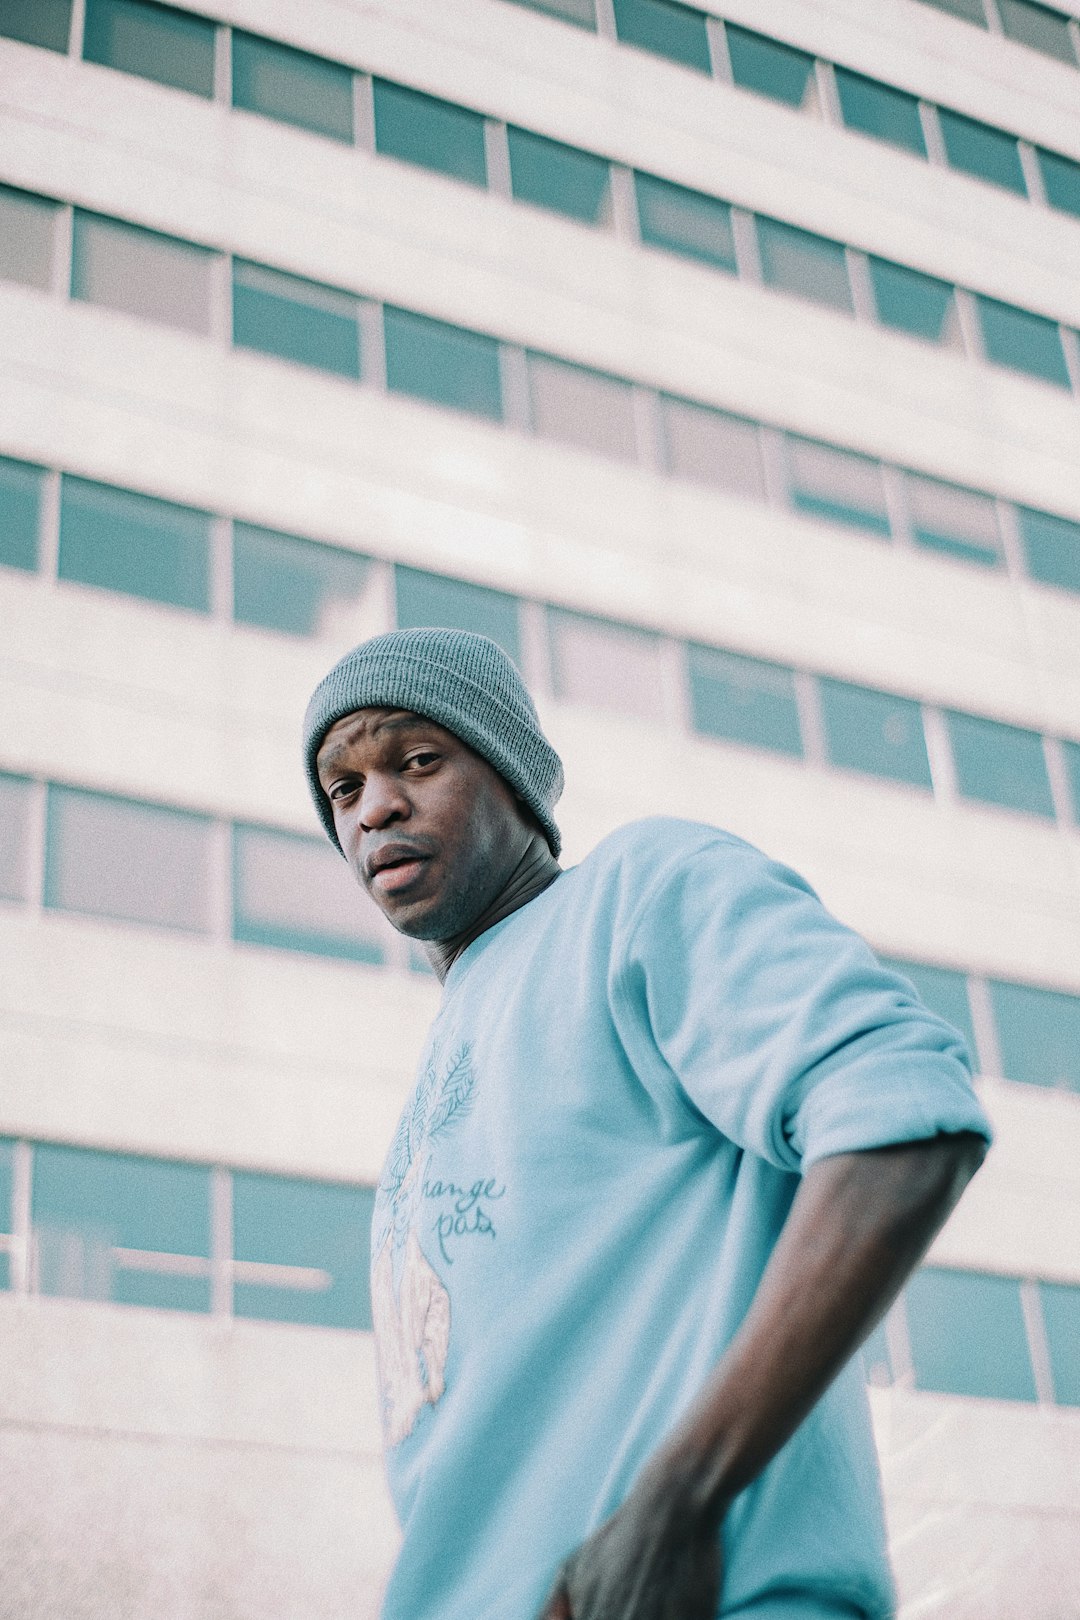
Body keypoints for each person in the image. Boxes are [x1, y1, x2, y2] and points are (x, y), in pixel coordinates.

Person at [302, 626, 991, 1620]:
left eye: (417, 758)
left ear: (515, 779)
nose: (375, 807)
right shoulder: (435, 1080)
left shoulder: (638, 892)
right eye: (343, 787)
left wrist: (674, 1503)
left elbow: (904, 1113)